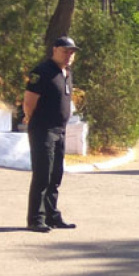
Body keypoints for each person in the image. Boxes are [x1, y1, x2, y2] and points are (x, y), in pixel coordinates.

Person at [23, 36, 80, 233]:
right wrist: (31, 118)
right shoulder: (41, 72)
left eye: (72, 52)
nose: (69, 55)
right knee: (42, 174)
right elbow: (29, 101)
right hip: (43, 130)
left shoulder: (66, 72)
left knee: (56, 175)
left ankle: (51, 215)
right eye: (65, 51)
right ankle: (35, 219)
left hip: (59, 130)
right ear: (54, 49)